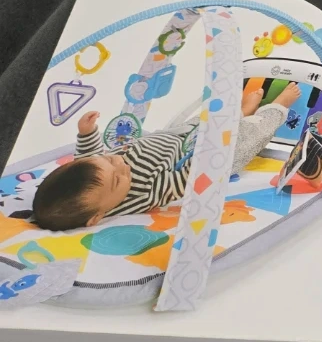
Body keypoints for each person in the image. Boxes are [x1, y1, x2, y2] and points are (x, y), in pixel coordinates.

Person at [29, 82, 301, 232]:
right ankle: (278, 107)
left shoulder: (98, 171)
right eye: (117, 180)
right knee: (247, 136)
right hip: (204, 156)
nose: (120, 164)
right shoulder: (144, 192)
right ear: (96, 218)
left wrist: (86, 133)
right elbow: (186, 179)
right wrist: (214, 146)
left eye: (110, 160)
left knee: (205, 120)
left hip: (177, 136)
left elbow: (88, 156)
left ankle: (242, 110)